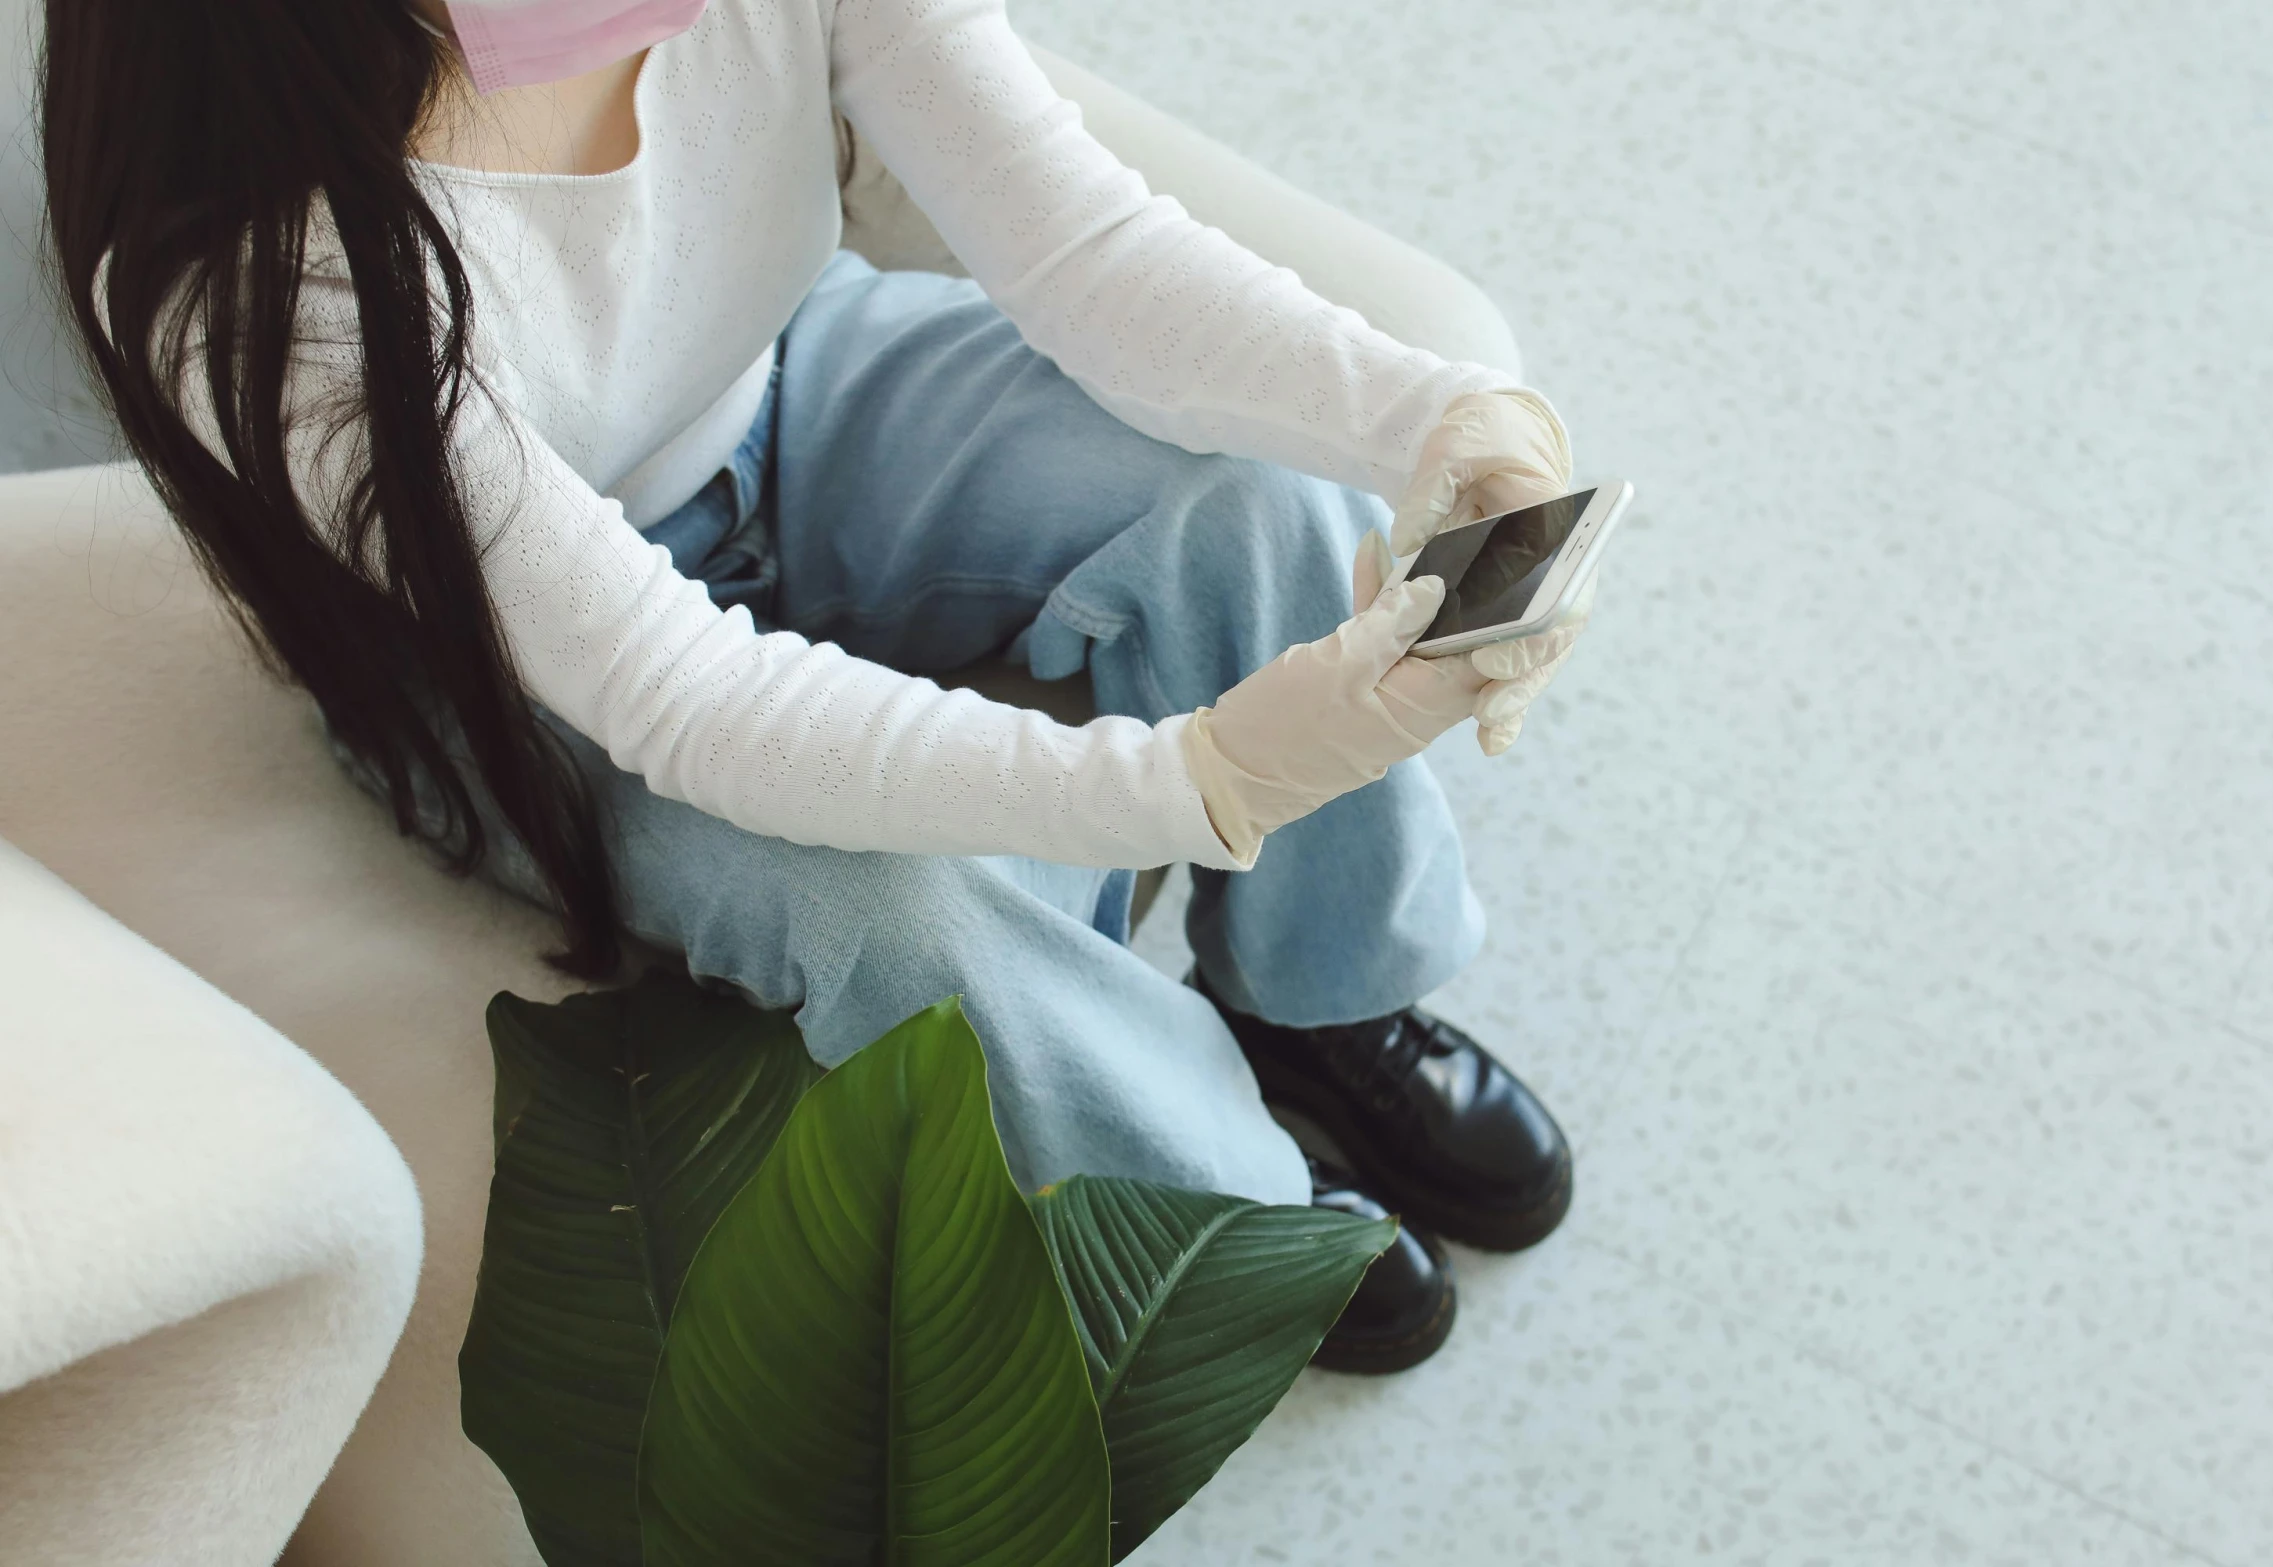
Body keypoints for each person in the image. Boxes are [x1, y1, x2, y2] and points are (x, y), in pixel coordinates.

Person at [42, 0, 1592, 1374]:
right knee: (908, 912)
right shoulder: (257, 283)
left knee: (1259, 508)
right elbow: (677, 695)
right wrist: (1196, 779)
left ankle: (1330, 1001)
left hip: (776, 388)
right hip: (504, 666)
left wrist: (1436, 414)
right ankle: (1216, 1212)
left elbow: (1086, 250)